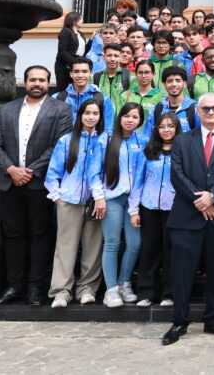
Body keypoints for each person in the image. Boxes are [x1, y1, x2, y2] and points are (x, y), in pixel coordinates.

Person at [162, 93, 214, 346]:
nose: (210, 112)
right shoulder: (182, 140)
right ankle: (179, 321)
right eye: (205, 108)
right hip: (187, 216)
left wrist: (213, 197)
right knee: (182, 272)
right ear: (197, 111)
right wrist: (201, 202)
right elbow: (177, 175)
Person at [0, 65, 74, 308]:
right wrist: (12, 170)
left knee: (40, 235)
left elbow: (59, 145)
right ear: (25, 82)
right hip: (9, 182)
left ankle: (36, 287)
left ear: (49, 83)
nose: (37, 83)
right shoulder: (7, 109)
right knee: (13, 235)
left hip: (40, 183)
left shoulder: (61, 109)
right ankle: (15, 285)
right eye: (33, 80)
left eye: (42, 80)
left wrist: (30, 171)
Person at [44, 97, 105, 308]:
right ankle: (61, 291)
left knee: (93, 247)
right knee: (65, 247)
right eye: (87, 113)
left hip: (97, 203)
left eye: (95, 113)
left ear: (100, 116)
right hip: (69, 201)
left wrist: (101, 197)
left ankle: (87, 289)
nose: (90, 117)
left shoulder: (105, 141)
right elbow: (52, 173)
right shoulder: (67, 140)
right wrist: (58, 198)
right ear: (79, 116)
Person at [90, 102, 146, 307]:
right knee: (112, 243)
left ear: (140, 120)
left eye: (135, 117)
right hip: (111, 198)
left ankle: (124, 283)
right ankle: (111, 289)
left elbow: (142, 175)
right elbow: (94, 171)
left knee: (134, 243)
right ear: (119, 117)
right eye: (127, 116)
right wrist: (99, 197)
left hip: (133, 200)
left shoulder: (143, 140)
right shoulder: (105, 139)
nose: (130, 120)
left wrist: (135, 206)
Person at [130, 110, 179, 307]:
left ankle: (169, 292)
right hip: (149, 206)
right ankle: (146, 292)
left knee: (171, 250)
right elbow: (137, 182)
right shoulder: (148, 151)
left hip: (173, 208)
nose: (166, 130)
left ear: (177, 128)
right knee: (149, 248)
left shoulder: (182, 151)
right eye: (162, 126)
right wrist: (134, 210)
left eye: (170, 126)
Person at [56, 12, 87, 91]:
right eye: (81, 19)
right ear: (74, 21)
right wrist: (74, 62)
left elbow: (83, 50)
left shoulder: (81, 34)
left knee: (77, 88)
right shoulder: (66, 32)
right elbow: (62, 51)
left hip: (76, 64)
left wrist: (91, 41)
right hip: (65, 65)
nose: (82, 21)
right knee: (63, 89)